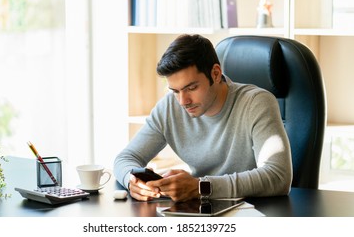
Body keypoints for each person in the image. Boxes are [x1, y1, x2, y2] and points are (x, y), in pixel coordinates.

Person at [114, 34, 292, 202]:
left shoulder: (257, 103)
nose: (183, 101)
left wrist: (201, 187)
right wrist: (132, 181)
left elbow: (278, 176)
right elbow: (125, 158)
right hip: (202, 209)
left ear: (215, 74)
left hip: (255, 212)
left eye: (191, 88)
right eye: (175, 91)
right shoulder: (169, 107)